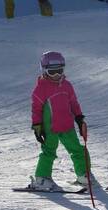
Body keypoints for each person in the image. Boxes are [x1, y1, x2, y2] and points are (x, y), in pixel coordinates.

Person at [29, 51, 89, 191]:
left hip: (67, 126)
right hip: (50, 128)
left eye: (59, 71)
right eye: (52, 72)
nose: (56, 75)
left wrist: (79, 118)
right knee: (49, 152)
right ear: (44, 70)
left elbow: (74, 103)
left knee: (78, 150)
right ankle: (42, 179)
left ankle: (84, 175)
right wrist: (37, 126)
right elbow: (36, 109)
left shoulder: (67, 85)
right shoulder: (41, 88)